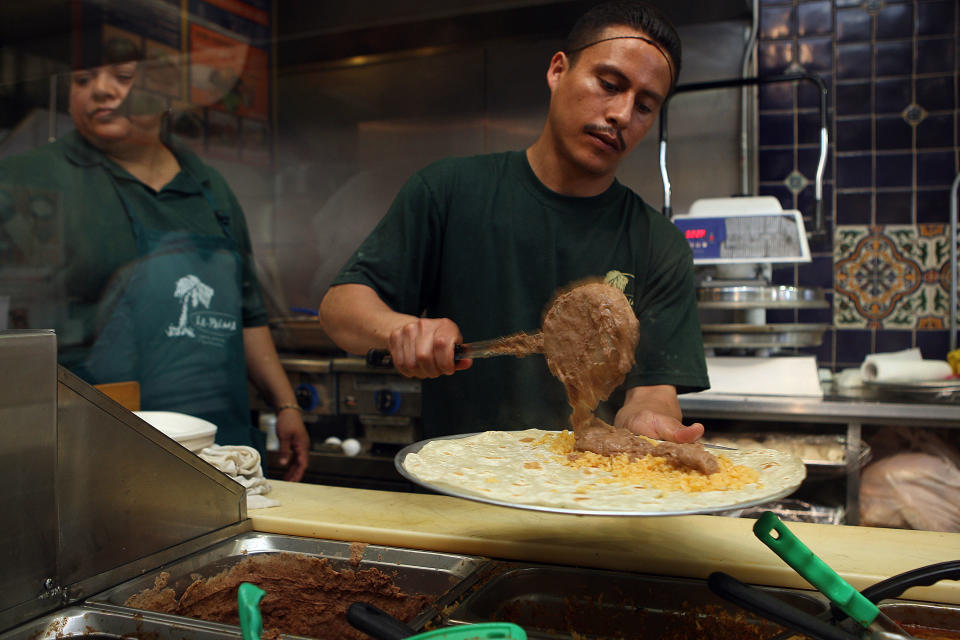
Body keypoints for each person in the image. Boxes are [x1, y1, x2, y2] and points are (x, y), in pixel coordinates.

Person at [319, 1, 710, 443]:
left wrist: (648, 419)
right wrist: (399, 331)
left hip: (592, 494)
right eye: (608, 84)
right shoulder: (449, 191)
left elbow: (654, 389)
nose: (621, 113)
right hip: (458, 493)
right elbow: (340, 308)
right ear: (558, 71)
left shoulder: (659, 243)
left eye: (644, 105)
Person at [0, 37, 309, 480]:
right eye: (82, 80)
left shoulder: (210, 188)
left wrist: (286, 405)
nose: (100, 90)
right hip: (98, 441)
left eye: (123, 78)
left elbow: (249, 314)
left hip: (217, 444)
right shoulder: (31, 179)